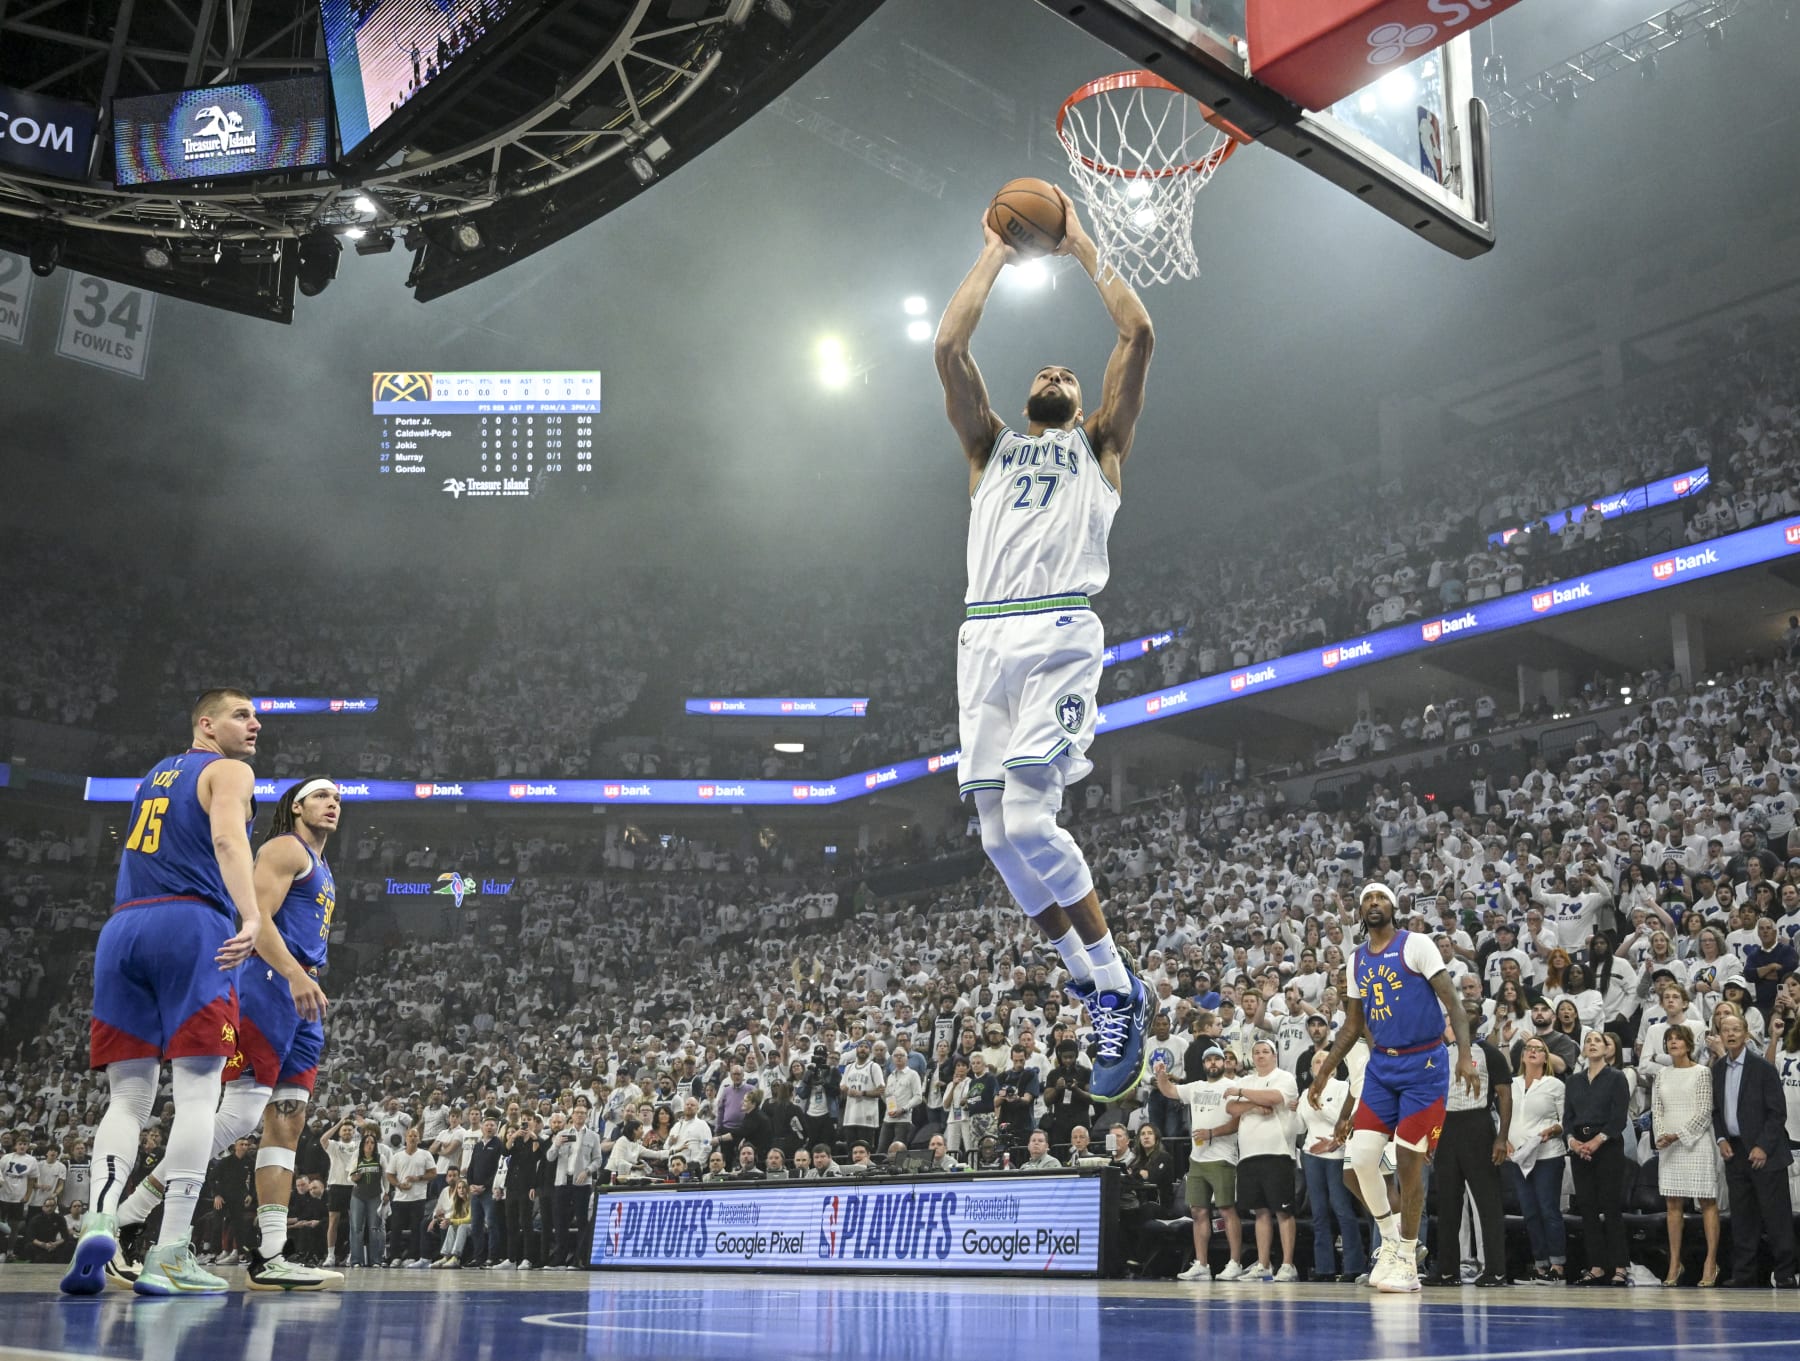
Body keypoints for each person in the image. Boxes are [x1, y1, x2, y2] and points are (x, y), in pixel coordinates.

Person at [935, 186, 1155, 1101]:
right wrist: (994, 245)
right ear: (1028, 399)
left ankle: (1116, 988)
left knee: (1031, 821)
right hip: (983, 635)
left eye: (1070, 373)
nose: (1061, 371)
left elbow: (1137, 337)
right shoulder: (987, 445)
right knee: (995, 835)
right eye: (1052, 373)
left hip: (1061, 626)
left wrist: (1077, 246)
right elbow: (949, 348)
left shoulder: (1101, 444)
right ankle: (1085, 973)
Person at [62, 689, 265, 1298]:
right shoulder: (229, 769)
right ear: (206, 724)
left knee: (127, 1098)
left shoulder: (155, 774)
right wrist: (250, 917)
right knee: (201, 1091)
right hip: (190, 924)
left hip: (124, 929)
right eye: (241, 714)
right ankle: (170, 1250)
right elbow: (229, 842)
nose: (254, 724)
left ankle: (99, 1217)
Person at [114, 777, 344, 1291]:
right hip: (270, 983)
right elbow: (256, 919)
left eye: (337, 799)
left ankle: (270, 1254)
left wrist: (302, 978)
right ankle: (131, 1216)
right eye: (322, 796)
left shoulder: (323, 865)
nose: (332, 804)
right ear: (297, 806)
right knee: (240, 1114)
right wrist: (293, 974)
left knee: (287, 1123)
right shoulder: (286, 848)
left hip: (301, 993)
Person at [1309, 883, 1477, 1294]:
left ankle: (1408, 1254)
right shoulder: (1355, 961)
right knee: (1360, 1160)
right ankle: (1390, 1241)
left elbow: (1453, 1003)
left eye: (1380, 898)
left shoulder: (1416, 945)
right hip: (1383, 1065)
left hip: (1424, 1064)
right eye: (1367, 899)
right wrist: (1325, 1070)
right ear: (1361, 912)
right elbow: (1352, 1025)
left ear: (1392, 907)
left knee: (1408, 1162)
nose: (1373, 903)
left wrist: (1466, 1056)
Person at [1427, 1001, 1511, 1286]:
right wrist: (1431, 1136)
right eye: (1459, 1010)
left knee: (1487, 1202)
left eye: (1471, 1011)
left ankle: (1496, 1270)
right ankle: (1448, 1270)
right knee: (1448, 1202)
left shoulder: (1490, 1053)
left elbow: (1505, 1096)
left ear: (1481, 1018)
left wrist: (1501, 1137)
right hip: (1447, 1125)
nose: (1464, 1014)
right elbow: (1433, 1097)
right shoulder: (1441, 1053)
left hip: (1478, 1125)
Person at [1710, 1011, 1796, 1286]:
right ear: (1720, 1035)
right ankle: (1744, 1274)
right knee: (1742, 1219)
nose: (1731, 1034)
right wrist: (1721, 1139)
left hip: (1765, 1155)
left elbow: (1776, 1114)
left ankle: (1784, 1274)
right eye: (1726, 1030)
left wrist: (1762, 1146)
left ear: (1746, 1034)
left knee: (1776, 1218)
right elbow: (1716, 1112)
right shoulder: (1719, 1069)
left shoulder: (1763, 1068)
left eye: (1736, 1029)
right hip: (1735, 1153)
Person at [1650, 1022, 1719, 1286]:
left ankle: (1710, 1263)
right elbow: (1657, 1110)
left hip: (1696, 1142)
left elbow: (1704, 1111)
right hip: (1668, 1145)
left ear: (1688, 1045)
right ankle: (1674, 1263)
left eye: (1678, 1039)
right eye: (1669, 1039)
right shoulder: (1662, 1075)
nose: (1673, 1043)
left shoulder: (1702, 1073)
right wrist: (1661, 1137)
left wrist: (1678, 1135)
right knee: (1672, 1205)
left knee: (1706, 1202)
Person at [1563, 1030, 1632, 1286]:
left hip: (1607, 1145)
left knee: (1611, 1207)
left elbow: (1619, 1117)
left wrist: (1597, 1140)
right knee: (1587, 1208)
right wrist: (1573, 1142)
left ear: (1607, 1048)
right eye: (1588, 1041)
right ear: (1583, 1050)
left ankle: (1620, 1266)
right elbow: (1567, 1118)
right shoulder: (1573, 1081)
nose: (1592, 1044)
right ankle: (1596, 1265)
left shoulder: (1616, 1078)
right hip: (1579, 1147)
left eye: (1597, 1041)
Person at [1229, 1039, 1300, 1282]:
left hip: (1277, 1152)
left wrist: (1243, 1096)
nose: (1260, 1056)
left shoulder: (1284, 1077)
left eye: (1265, 1052)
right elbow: (1230, 1107)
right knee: (1260, 1211)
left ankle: (1288, 1265)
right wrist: (1254, 1104)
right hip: (1248, 1154)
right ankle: (1263, 1264)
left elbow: (1274, 1097)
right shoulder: (1246, 1080)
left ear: (1274, 1055)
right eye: (1256, 1052)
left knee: (1283, 1211)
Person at [1298, 1049, 1365, 1283]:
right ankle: (1324, 1267)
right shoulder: (1307, 1091)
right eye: (1317, 1061)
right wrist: (1295, 1107)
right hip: (1311, 1155)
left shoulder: (1341, 1088)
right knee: (1318, 1214)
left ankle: (1354, 1265)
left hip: (1336, 1154)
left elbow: (1342, 1119)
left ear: (1334, 1066)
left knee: (1342, 1210)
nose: (1321, 1064)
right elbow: (1299, 1126)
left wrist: (1319, 1106)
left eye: (1325, 1060)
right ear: (1311, 1067)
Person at [1505, 1036, 1567, 1281]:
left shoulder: (1554, 1085)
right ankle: (1540, 1264)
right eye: (1528, 1048)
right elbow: (1503, 1117)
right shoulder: (1511, 1084)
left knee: (1548, 1208)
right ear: (1522, 1056)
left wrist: (1553, 1130)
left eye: (1538, 1049)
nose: (1532, 1052)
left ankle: (1558, 1264)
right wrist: (1504, 1139)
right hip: (1518, 1156)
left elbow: (1566, 1120)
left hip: (1547, 1155)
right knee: (1529, 1211)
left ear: (1545, 1057)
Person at [345, 1132, 386, 1268]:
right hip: (358, 1196)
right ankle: (356, 1260)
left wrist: (386, 1193)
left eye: (372, 1143)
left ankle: (376, 1260)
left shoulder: (381, 1158)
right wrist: (354, 1178)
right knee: (356, 1228)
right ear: (362, 1145)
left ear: (375, 1145)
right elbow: (349, 1177)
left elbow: (386, 1178)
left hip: (375, 1196)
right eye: (367, 1142)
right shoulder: (357, 1158)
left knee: (375, 1228)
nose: (369, 1145)